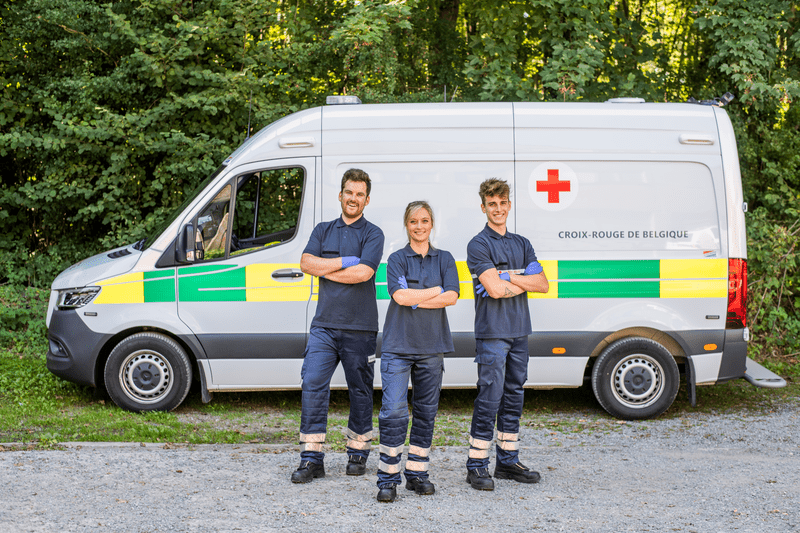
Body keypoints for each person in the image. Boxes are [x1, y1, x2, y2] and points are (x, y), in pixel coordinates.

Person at [291, 168, 385, 484]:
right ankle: (311, 458)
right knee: (313, 383)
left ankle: (358, 453)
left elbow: (364, 274)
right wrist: (346, 261)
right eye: (349, 192)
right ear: (341, 195)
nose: (353, 198)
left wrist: (326, 268)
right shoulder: (323, 229)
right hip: (324, 327)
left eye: (360, 194)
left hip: (361, 327)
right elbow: (305, 263)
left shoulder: (373, 234)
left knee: (360, 391)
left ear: (366, 199)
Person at [465, 178, 549, 491]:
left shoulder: (522, 243)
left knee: (514, 395)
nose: (498, 209)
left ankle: (507, 461)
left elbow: (542, 284)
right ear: (484, 207)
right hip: (492, 333)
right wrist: (518, 277)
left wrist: (506, 276)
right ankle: (476, 465)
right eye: (492, 204)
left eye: (503, 203)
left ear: (509, 205)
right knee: (490, 396)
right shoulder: (478, 244)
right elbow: (494, 290)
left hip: (519, 332)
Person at [376, 201, 460, 502]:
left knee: (426, 413)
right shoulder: (397, 259)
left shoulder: (445, 259)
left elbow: (452, 296)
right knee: (394, 412)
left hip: (432, 347)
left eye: (425, 220)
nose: (419, 226)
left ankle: (417, 473)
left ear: (432, 224)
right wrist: (434, 290)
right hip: (398, 347)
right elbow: (399, 296)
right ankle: (387, 478)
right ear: (407, 225)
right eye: (414, 221)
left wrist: (418, 297)